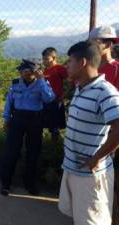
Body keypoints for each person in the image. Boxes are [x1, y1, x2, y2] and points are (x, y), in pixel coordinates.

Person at [58, 40, 119, 225]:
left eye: (70, 62)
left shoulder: (105, 92)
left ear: (82, 63)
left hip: (90, 175)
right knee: (80, 217)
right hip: (73, 168)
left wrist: (97, 158)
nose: (67, 66)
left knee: (93, 221)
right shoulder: (80, 87)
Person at [1, 59, 55, 196]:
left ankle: (30, 184)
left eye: (25, 71)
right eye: (21, 71)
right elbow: (9, 102)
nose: (21, 73)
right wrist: (6, 118)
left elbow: (49, 99)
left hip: (34, 121)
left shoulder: (42, 84)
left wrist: (41, 80)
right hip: (17, 120)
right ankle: (6, 183)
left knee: (33, 154)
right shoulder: (15, 84)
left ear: (34, 72)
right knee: (11, 152)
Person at [89, 25, 119, 225]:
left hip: (111, 133)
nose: (91, 47)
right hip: (92, 131)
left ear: (108, 44)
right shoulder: (93, 68)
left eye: (95, 43)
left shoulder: (116, 69)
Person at [41, 47, 68, 138]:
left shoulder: (60, 68)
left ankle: (56, 145)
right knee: (48, 123)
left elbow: (71, 82)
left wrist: (64, 95)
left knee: (55, 125)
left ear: (53, 58)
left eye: (46, 58)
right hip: (46, 100)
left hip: (57, 100)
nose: (44, 61)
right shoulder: (45, 70)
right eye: (43, 58)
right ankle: (50, 144)